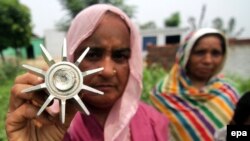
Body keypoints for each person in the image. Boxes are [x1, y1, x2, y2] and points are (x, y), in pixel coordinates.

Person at [6, 4, 169, 141]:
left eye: (120, 55)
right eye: (92, 54)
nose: (106, 71)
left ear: (132, 61)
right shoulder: (45, 124)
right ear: (70, 58)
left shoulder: (154, 123)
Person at [150, 28, 239, 141]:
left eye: (215, 53)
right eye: (200, 52)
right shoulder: (162, 94)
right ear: (186, 55)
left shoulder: (229, 92)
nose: (208, 60)